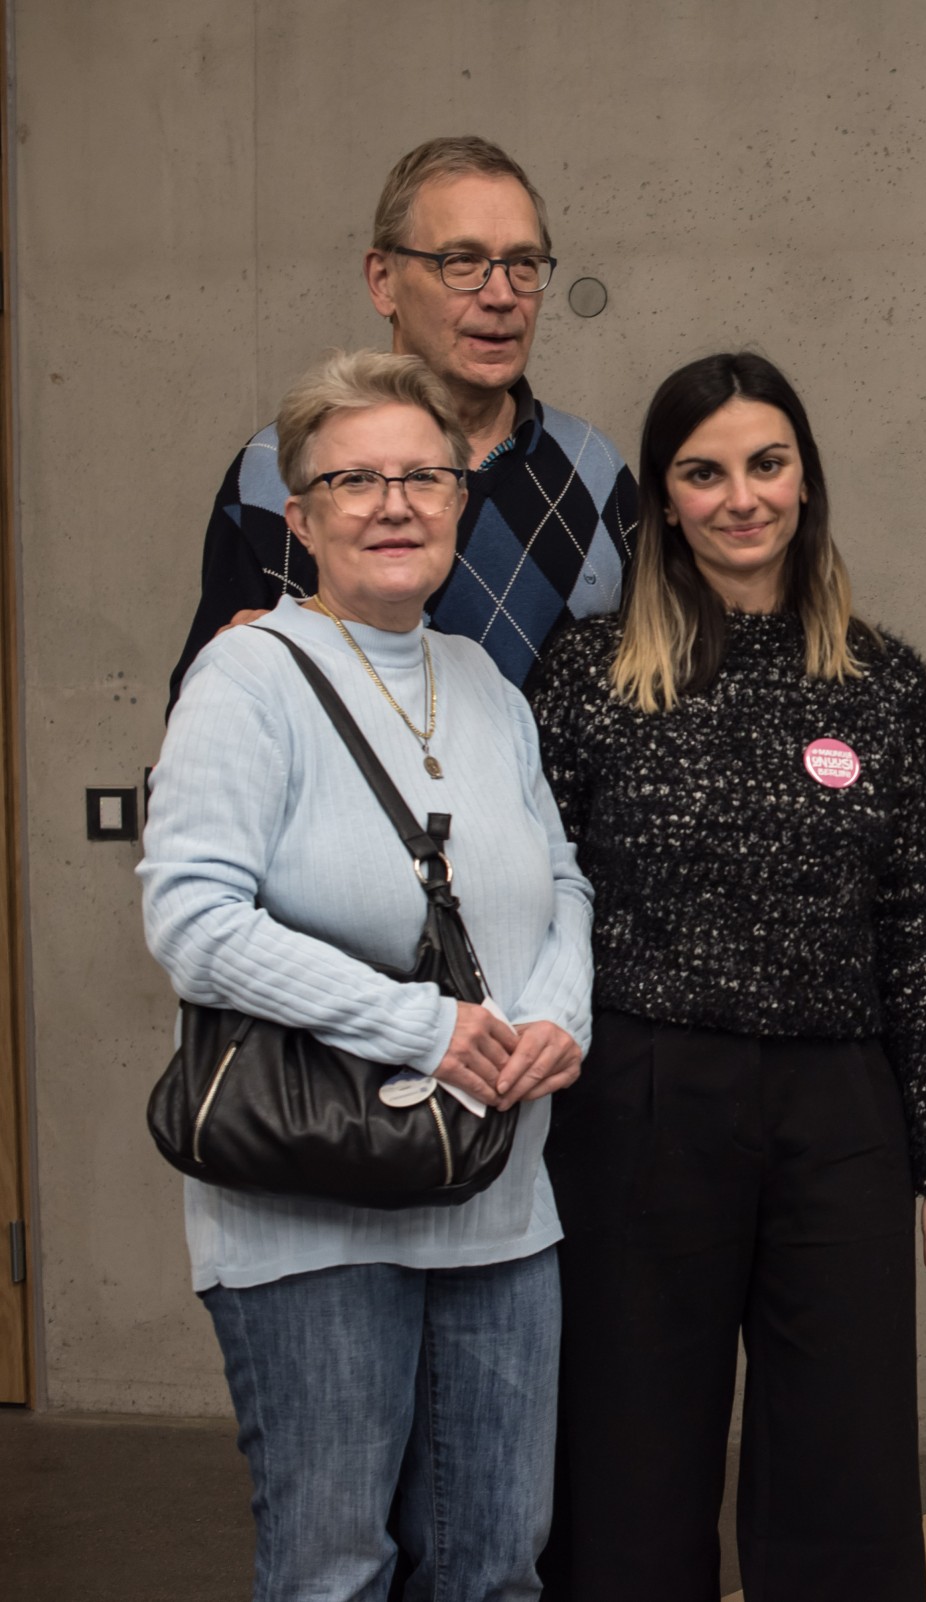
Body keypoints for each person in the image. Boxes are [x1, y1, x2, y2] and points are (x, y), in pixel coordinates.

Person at [527, 352, 926, 1602]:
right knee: (631, 1450)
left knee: (841, 1457)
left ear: (806, 480)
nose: (742, 497)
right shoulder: (585, 676)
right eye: (705, 471)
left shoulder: (879, 680)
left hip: (839, 1114)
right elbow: (537, 912)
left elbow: (908, 928)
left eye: (767, 464)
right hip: (641, 1094)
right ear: (663, 500)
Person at [140, 349, 594, 1601]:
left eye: (422, 477)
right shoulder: (245, 681)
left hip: (500, 1199)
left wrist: (558, 1021)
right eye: (354, 480)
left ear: (460, 502)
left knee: (496, 1566)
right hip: (309, 1210)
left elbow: (564, 883)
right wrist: (427, 1031)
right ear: (301, 516)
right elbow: (192, 922)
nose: (393, 504)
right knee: (336, 1571)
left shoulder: (489, 686)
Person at [169, 135, 638, 700]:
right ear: (382, 281)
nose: (500, 295)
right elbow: (212, 714)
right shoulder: (282, 472)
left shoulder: (594, 467)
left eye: (522, 263)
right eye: (461, 262)